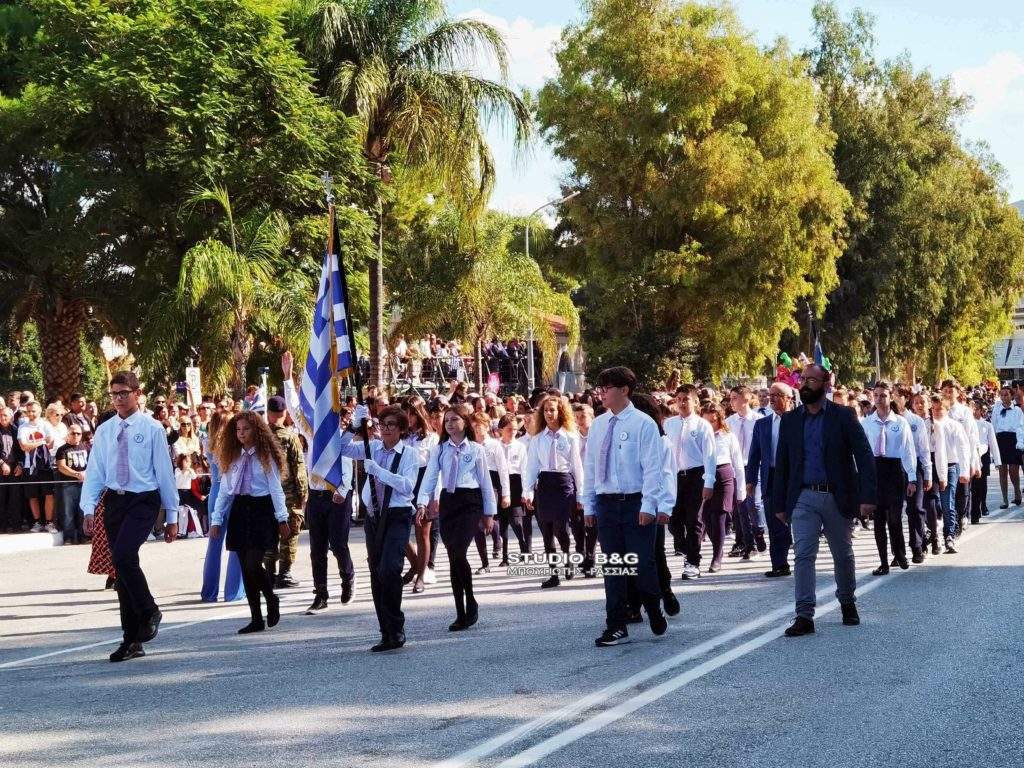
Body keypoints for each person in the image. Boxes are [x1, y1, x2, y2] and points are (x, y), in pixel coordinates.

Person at [80, 371, 180, 662]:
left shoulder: (151, 428)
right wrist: (89, 508)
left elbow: (164, 473)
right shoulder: (105, 430)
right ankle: (131, 640)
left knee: (124, 556)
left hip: (142, 500)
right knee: (120, 571)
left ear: (138, 394)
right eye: (114, 394)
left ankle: (150, 610)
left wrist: (171, 515)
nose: (119, 398)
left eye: (124, 392)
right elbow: (96, 471)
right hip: (114, 502)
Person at [772, 363, 877, 637]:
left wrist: (867, 497)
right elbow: (782, 464)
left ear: (826, 383)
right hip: (803, 497)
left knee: (842, 554)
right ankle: (804, 614)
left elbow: (864, 456)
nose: (804, 384)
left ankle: (847, 601)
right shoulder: (791, 420)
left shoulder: (844, 416)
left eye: (811, 380)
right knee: (803, 554)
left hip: (836, 496)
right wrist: (779, 504)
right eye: (802, 379)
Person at [581, 366, 667, 647]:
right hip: (607, 504)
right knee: (614, 568)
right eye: (600, 388)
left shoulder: (643, 424)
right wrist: (589, 506)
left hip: (635, 503)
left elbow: (654, 469)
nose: (602, 393)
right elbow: (591, 467)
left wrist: (649, 505)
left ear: (624, 390)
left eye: (607, 388)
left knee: (643, 565)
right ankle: (615, 625)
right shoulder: (599, 424)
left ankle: (653, 605)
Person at [281, 351, 356, 614]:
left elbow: (348, 467)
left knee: (338, 544)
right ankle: (321, 593)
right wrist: (288, 378)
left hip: (337, 497)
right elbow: (294, 409)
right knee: (316, 549)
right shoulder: (313, 432)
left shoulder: (343, 437)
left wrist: (343, 490)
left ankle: (347, 577)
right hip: (317, 496)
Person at [343, 403, 420, 651]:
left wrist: (379, 472)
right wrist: (354, 425)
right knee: (377, 573)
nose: (385, 429)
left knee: (389, 569)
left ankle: (397, 626)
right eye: (382, 424)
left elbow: (407, 486)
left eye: (391, 425)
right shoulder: (372, 447)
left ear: (401, 429)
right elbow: (342, 448)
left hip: (397, 515)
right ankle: (385, 630)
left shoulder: (408, 454)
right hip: (375, 517)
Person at [417, 404, 497, 632]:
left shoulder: (476, 449)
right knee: (454, 557)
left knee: (459, 553)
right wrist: (422, 502)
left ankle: (470, 599)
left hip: (470, 502)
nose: (450, 423)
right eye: (447, 420)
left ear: (465, 422)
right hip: (449, 502)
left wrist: (488, 514)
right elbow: (430, 477)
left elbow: (485, 483)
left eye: (455, 419)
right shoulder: (440, 450)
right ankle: (461, 610)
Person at [211, 411, 291, 635]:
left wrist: (282, 518)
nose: (241, 433)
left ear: (256, 430)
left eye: (245, 429)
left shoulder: (265, 456)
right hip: (240, 510)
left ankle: (271, 598)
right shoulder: (232, 456)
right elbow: (225, 492)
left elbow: (276, 489)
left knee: (253, 564)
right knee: (245, 569)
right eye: (237, 430)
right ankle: (256, 617)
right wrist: (217, 519)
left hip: (261, 510)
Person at [522, 395, 584, 589]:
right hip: (545, 484)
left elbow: (577, 467)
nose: (549, 413)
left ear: (560, 412)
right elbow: (531, 467)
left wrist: (581, 494)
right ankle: (553, 573)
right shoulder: (537, 439)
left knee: (560, 528)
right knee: (547, 532)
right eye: (546, 410)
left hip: (564, 483)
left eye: (553, 410)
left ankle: (567, 558)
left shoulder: (571, 437)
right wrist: (528, 491)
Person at [860, 382, 916, 574]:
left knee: (894, 518)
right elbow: (862, 452)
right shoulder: (866, 423)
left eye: (883, 395)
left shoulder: (900, 422)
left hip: (894, 470)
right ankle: (883, 562)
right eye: (876, 395)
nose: (879, 399)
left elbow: (908, 451)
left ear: (890, 397)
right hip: (875, 470)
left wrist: (912, 478)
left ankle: (900, 553)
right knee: (879, 520)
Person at [664, 385, 716, 580]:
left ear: (694, 402)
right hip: (674, 476)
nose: (682, 403)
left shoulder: (702, 425)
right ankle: (688, 549)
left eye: (686, 399)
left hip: (696, 475)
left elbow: (709, 456)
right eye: (679, 399)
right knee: (673, 521)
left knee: (694, 520)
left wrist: (709, 482)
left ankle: (693, 562)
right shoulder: (669, 424)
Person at [746, 382, 794, 578]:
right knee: (774, 522)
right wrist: (751, 480)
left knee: (796, 519)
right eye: (770, 395)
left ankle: (804, 560)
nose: (772, 398)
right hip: (771, 477)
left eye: (777, 395)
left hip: (794, 476)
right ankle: (780, 564)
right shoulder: (762, 424)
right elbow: (754, 453)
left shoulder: (798, 421)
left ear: (788, 399)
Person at [200, 410, 246, 602]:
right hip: (232, 492)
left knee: (214, 543)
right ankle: (233, 591)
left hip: (215, 492)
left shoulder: (208, 444)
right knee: (236, 542)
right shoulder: (233, 447)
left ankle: (209, 592)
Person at [264, 395, 308, 589]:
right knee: (289, 534)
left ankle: (268, 572)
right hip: (287, 494)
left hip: (264, 494)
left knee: (268, 534)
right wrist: (303, 493)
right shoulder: (289, 436)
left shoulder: (260, 436)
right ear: (284, 414)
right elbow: (298, 467)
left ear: (268, 413)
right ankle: (284, 574)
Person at [699, 402, 746, 573]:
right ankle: (716, 546)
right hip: (704, 476)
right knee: (706, 518)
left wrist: (741, 489)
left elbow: (738, 463)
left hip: (724, 475)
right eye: (707, 421)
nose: (710, 425)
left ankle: (716, 558)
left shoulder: (728, 436)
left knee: (719, 516)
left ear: (719, 419)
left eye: (713, 421)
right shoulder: (699, 436)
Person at [725, 386, 763, 560]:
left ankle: (759, 530)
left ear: (745, 399)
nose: (731, 402)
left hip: (754, 466)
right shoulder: (729, 422)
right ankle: (750, 545)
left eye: (734, 398)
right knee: (741, 507)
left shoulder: (759, 420)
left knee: (753, 504)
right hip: (736, 467)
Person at [18, 401, 57, 533]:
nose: (31, 414)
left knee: (49, 494)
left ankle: (49, 522)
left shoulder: (46, 425)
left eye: (34, 411)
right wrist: (41, 442)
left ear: (40, 411)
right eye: (29, 411)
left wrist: (33, 444)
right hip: (30, 467)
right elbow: (24, 447)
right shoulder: (23, 428)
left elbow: (50, 444)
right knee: (32, 495)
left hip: (45, 465)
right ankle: (37, 522)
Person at [496, 414, 529, 566]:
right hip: (500, 483)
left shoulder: (520, 446)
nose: (513, 432)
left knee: (516, 521)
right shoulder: (496, 446)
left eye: (515, 429)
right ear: (501, 430)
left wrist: (525, 491)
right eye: (509, 429)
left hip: (515, 484)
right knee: (502, 523)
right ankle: (505, 556)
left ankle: (524, 549)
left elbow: (524, 470)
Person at [55, 424, 90, 544]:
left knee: (83, 511)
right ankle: (68, 537)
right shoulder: (62, 449)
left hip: (84, 484)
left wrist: (84, 473)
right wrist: (77, 474)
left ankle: (84, 536)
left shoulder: (86, 447)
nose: (76, 436)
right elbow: (61, 466)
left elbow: (92, 463)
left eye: (78, 433)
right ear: (68, 435)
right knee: (67, 512)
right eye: (73, 433)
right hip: (68, 484)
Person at [970, 400, 1000, 524]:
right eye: (972, 409)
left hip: (983, 454)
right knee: (971, 485)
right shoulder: (967, 424)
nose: (974, 412)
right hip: (970, 454)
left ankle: (982, 505)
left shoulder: (987, 425)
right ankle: (972, 510)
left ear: (981, 411)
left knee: (981, 483)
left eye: (976, 409)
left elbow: (993, 443)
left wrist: (997, 460)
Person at [990, 386, 1020, 508]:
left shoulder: (1017, 411)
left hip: (1013, 440)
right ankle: (1005, 499)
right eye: (1001, 395)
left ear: (1011, 396)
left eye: (1006, 394)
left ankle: (1017, 492)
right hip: (1000, 440)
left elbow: (1020, 427)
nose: (1004, 397)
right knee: (1002, 471)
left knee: (1014, 471)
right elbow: (993, 426)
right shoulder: (996, 410)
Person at [0, 407, 23, 532]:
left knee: (15, 497)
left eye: (6, 415)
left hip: (14, 468)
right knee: (1, 498)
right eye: (1, 415)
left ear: (11, 417)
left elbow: (21, 451)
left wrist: (20, 465)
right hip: (1, 467)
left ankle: (16, 525)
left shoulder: (16, 430)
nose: (3, 418)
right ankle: (2, 526)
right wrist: (2, 463)